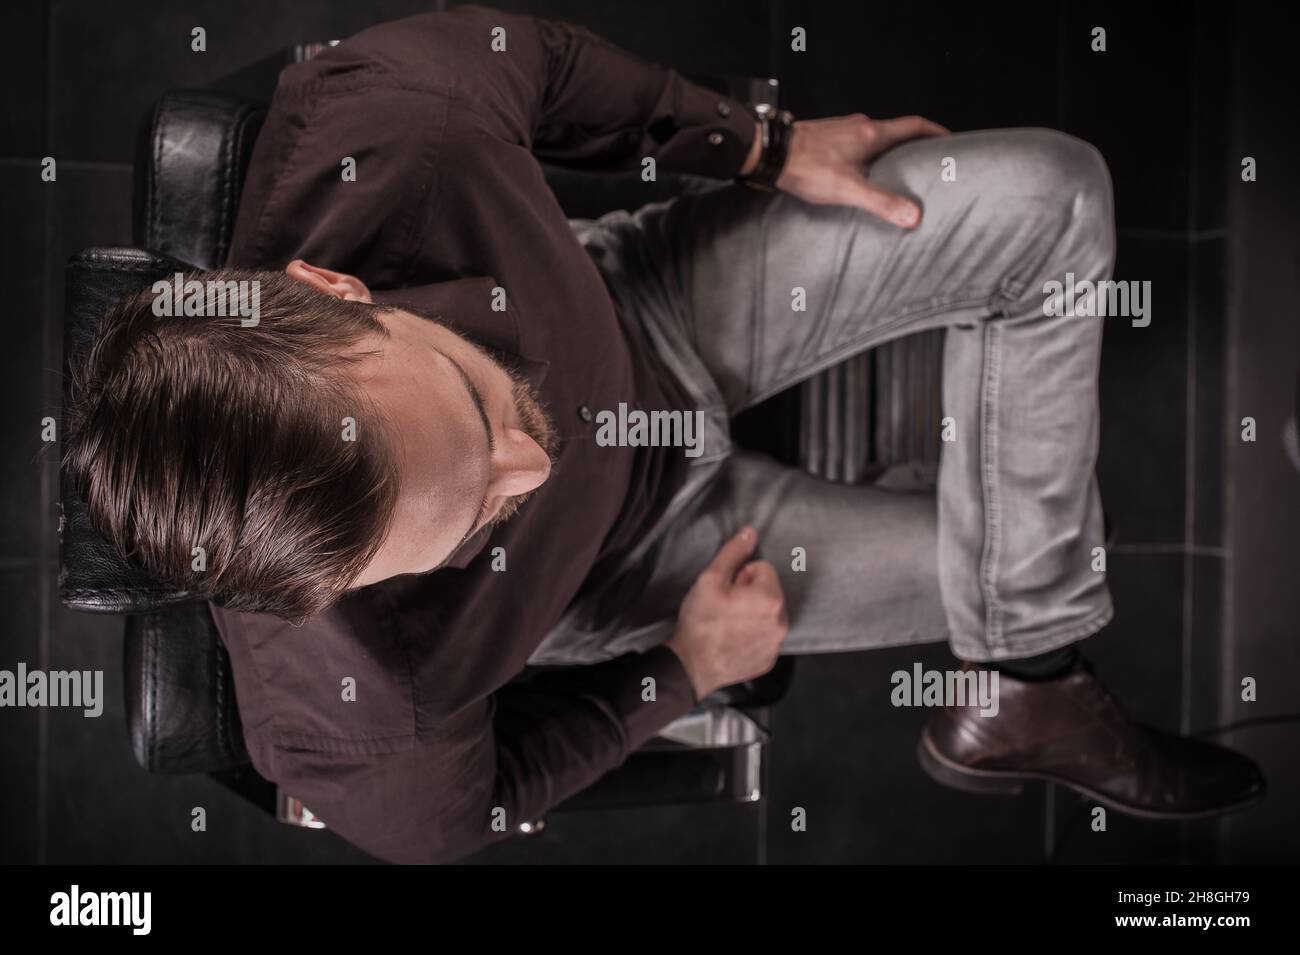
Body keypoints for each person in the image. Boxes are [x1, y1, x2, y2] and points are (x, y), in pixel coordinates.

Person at [63, 5, 1263, 863]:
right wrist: (680, 672)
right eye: (468, 524)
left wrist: (767, 147)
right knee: (1036, 552)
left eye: (479, 419)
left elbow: (536, 59)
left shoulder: (391, 125)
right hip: (637, 571)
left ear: (336, 288)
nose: (530, 468)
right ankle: (1020, 656)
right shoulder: (357, 728)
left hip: (640, 313)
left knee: (1053, 195)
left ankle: (1033, 665)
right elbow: (483, 803)